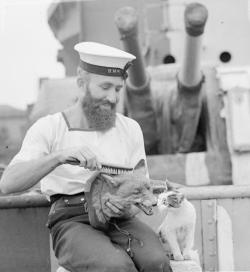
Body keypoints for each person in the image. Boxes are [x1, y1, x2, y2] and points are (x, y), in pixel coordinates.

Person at [0, 42, 172, 272]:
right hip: (71, 221)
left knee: (157, 263)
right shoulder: (49, 128)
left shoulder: (130, 129)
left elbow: (141, 192)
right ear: (82, 83)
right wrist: (58, 156)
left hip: (119, 219)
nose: (112, 98)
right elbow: (8, 183)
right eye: (105, 87)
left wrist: (128, 208)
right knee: (114, 267)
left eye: (118, 89)